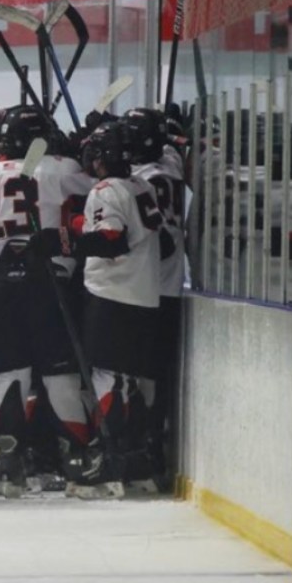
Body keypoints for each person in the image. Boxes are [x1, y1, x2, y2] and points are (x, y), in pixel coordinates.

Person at [0, 104, 96, 498]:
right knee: (59, 375)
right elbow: (99, 191)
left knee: (9, 376)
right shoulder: (62, 166)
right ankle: (77, 460)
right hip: (49, 281)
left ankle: (9, 465)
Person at [73, 115, 165, 498]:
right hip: (144, 294)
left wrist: (63, 239)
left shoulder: (107, 189)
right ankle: (137, 462)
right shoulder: (142, 185)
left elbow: (111, 240)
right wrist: (82, 224)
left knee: (108, 378)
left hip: (112, 296)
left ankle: (110, 460)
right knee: (129, 379)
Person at [129, 108, 186, 490]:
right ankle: (153, 447)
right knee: (154, 376)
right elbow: (172, 145)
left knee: (140, 376)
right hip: (172, 288)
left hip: (143, 290)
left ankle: (145, 450)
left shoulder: (136, 182)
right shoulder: (172, 165)